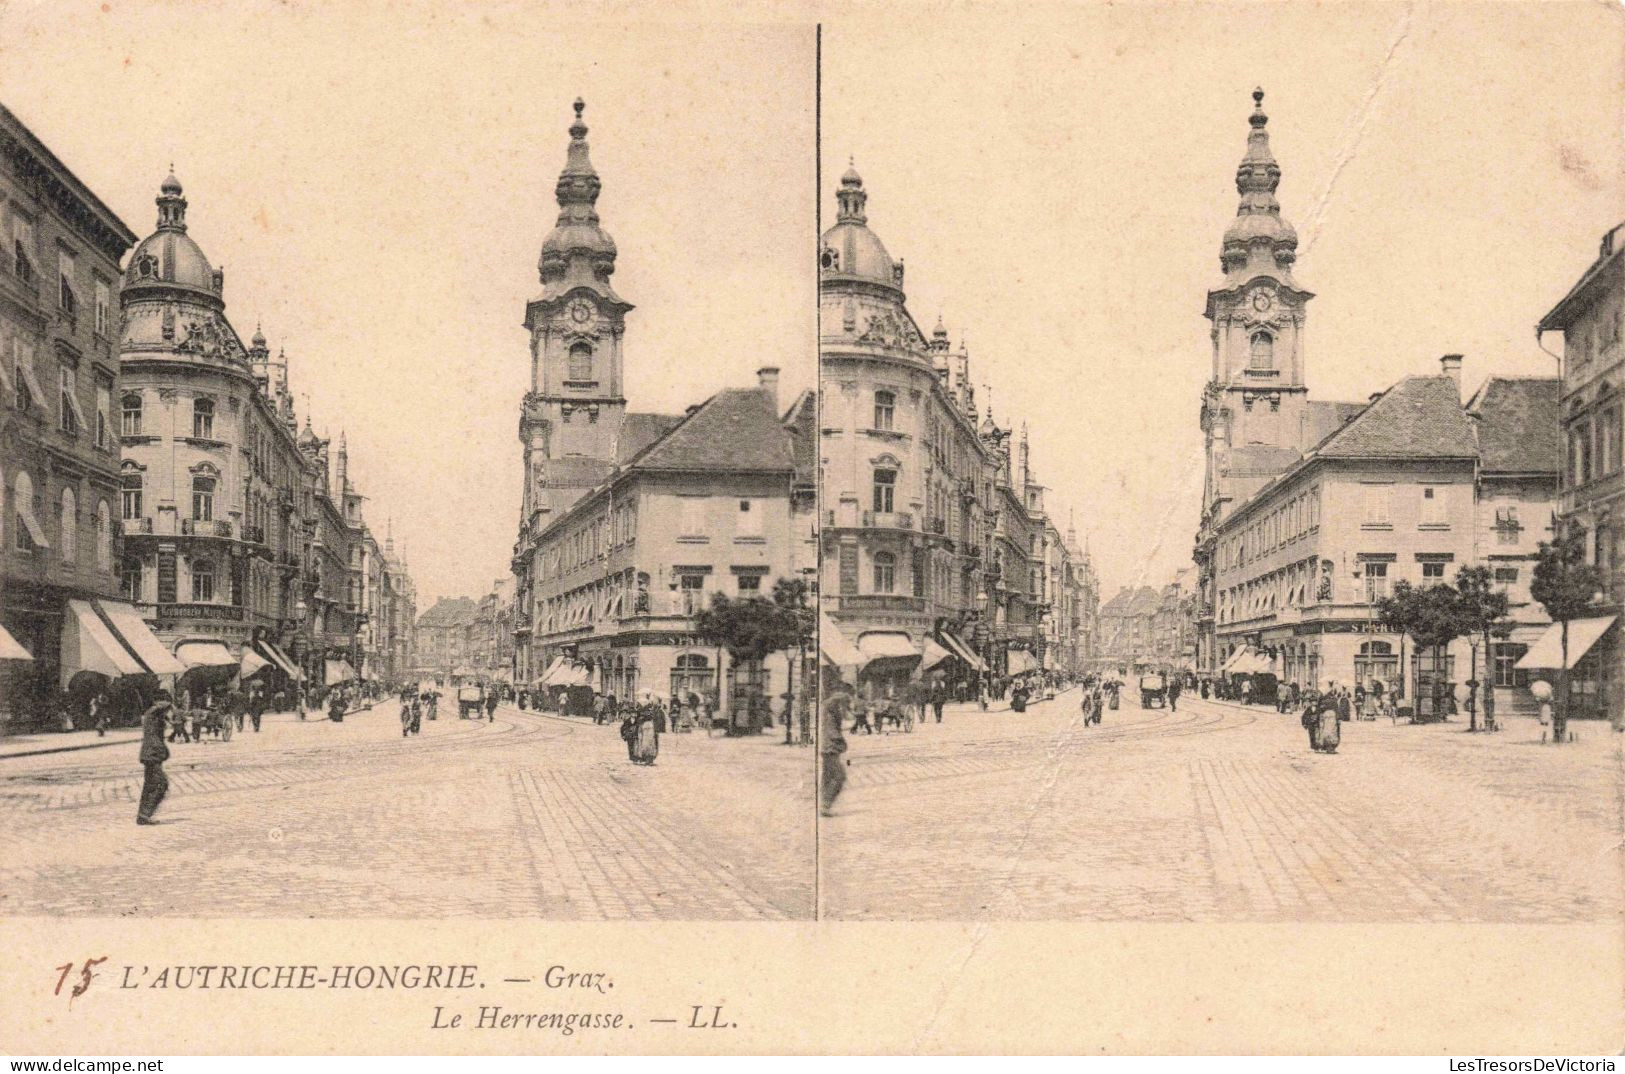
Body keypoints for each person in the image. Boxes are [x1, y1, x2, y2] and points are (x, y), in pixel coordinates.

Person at [136, 692, 173, 825]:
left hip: (152, 755)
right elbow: (160, 706)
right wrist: (171, 703)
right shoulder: (151, 714)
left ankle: (143, 815)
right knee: (161, 784)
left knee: (150, 785)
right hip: (151, 755)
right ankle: (145, 814)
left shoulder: (155, 717)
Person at [820, 682, 851, 816]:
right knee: (839, 776)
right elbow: (832, 732)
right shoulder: (830, 708)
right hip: (830, 747)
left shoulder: (830, 710)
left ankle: (824, 805)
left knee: (828, 777)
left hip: (828, 747)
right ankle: (825, 804)